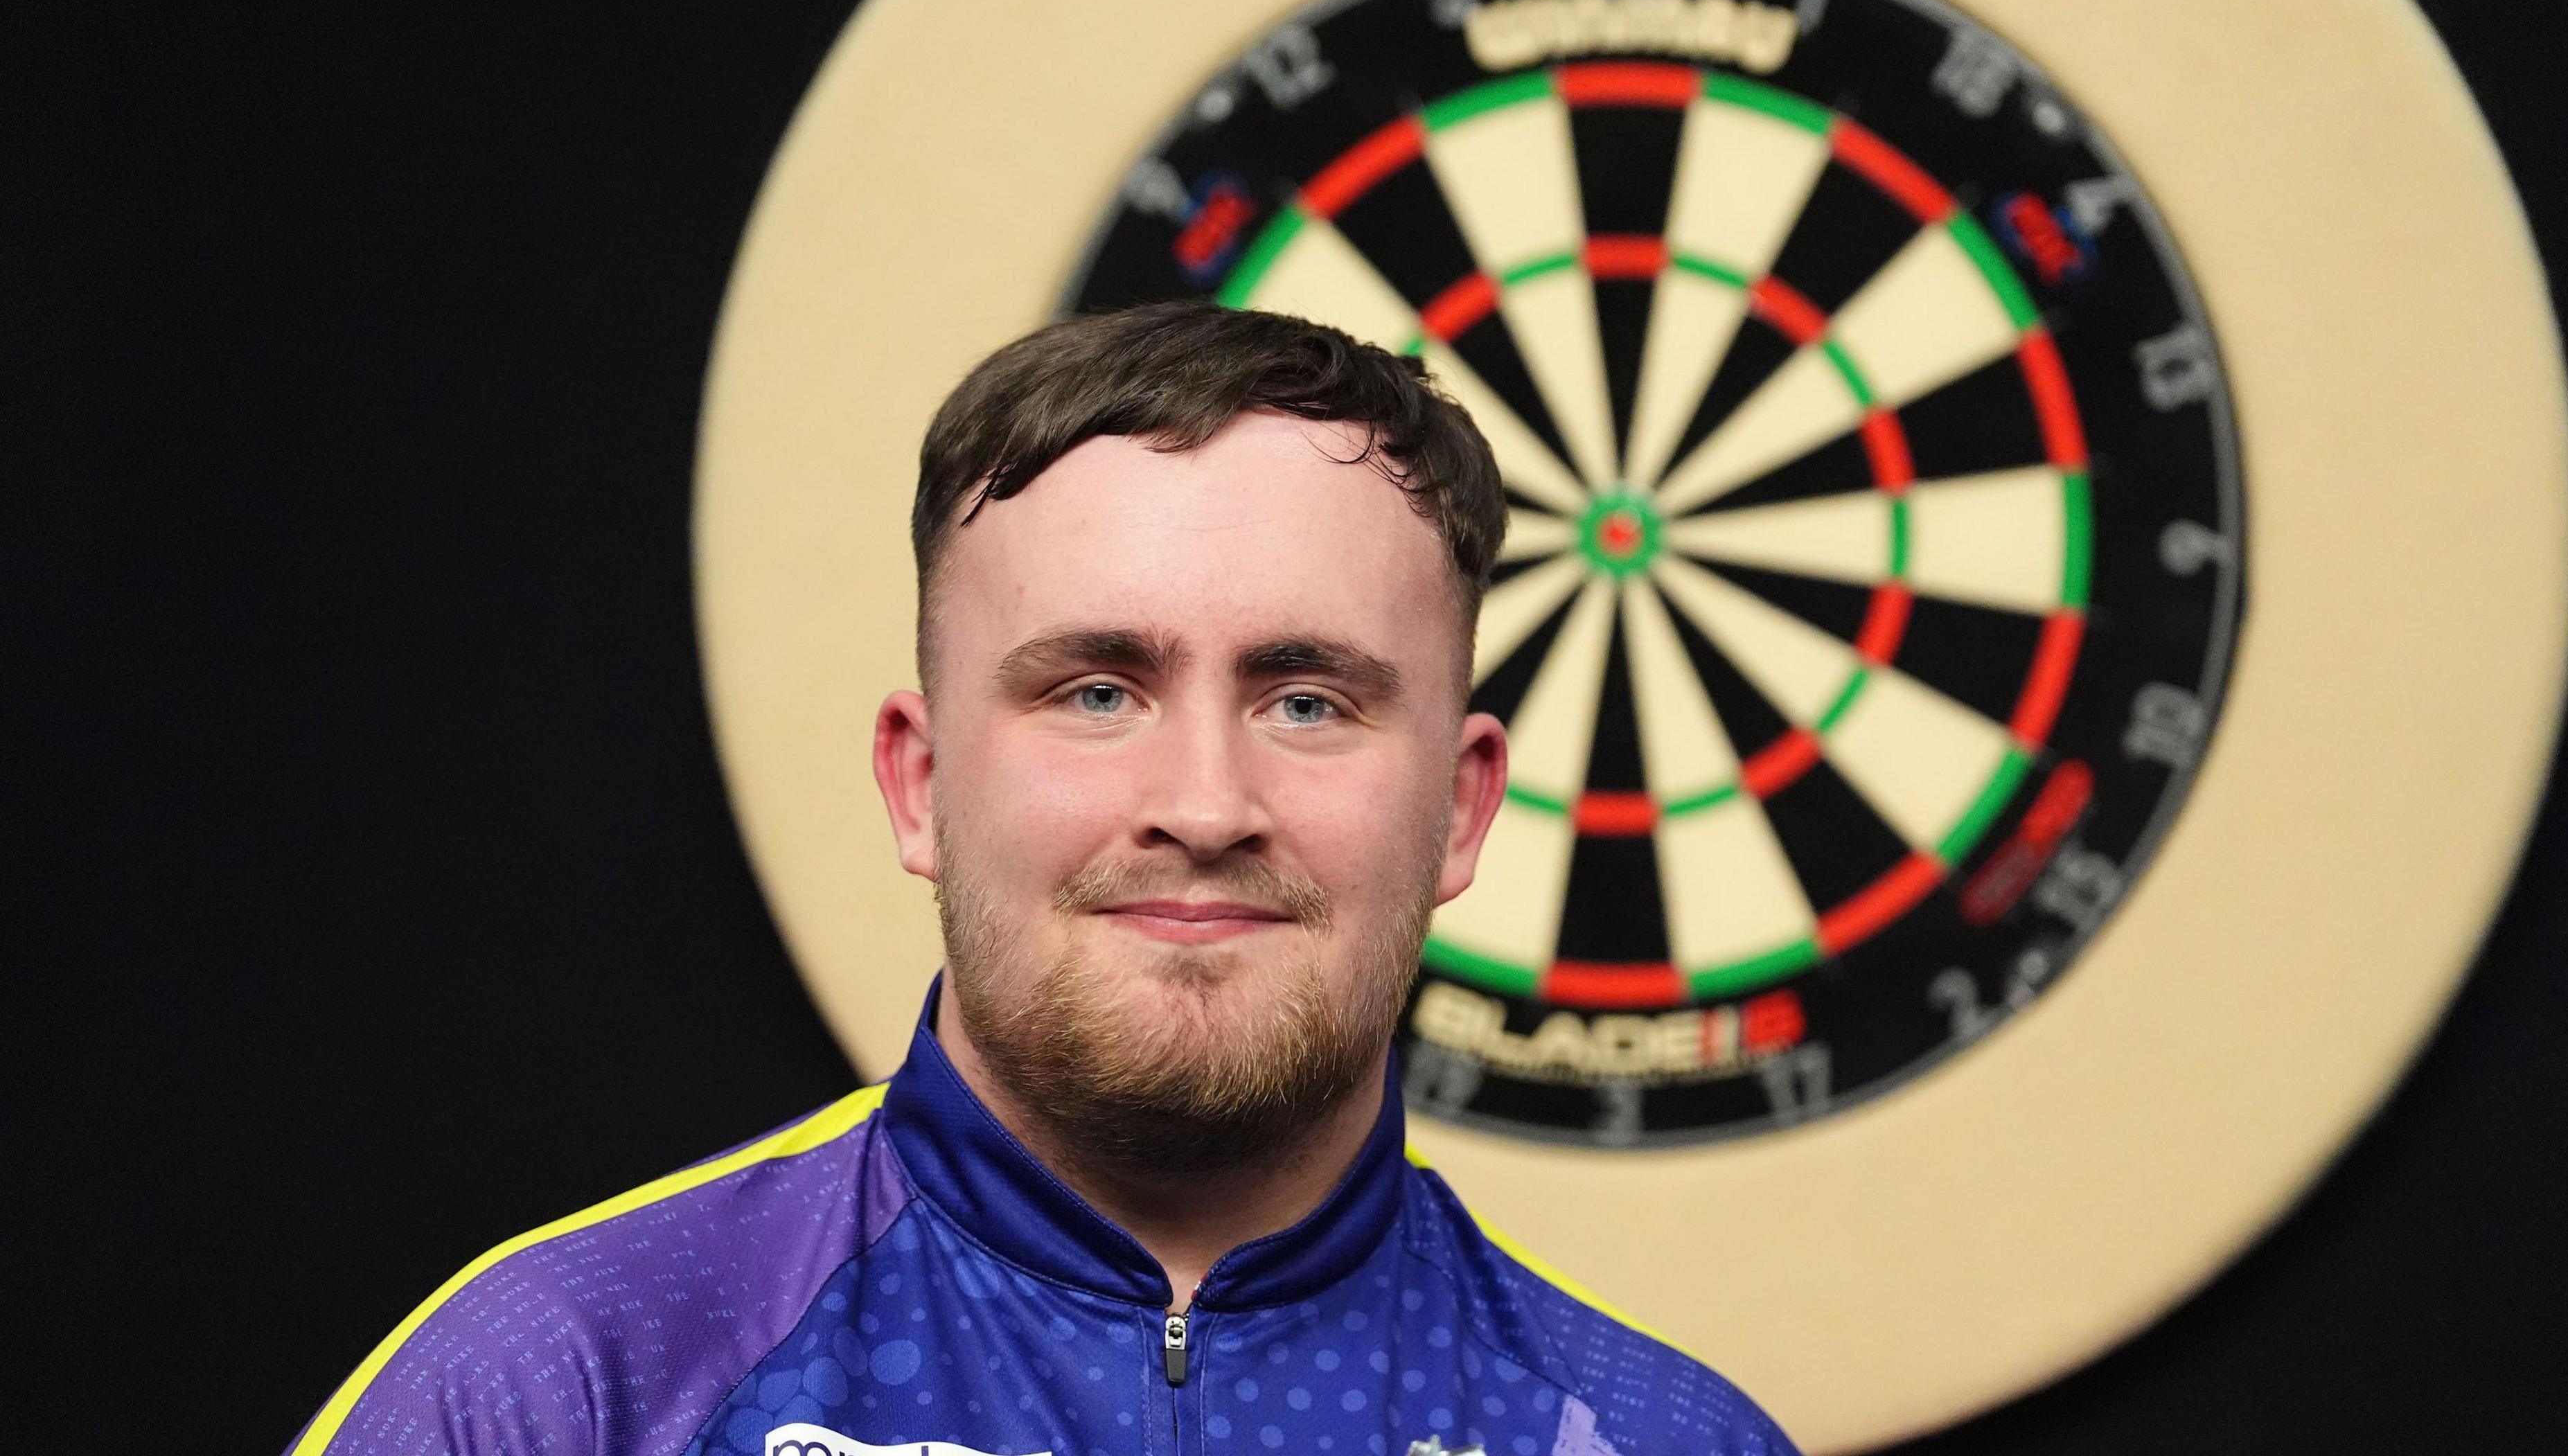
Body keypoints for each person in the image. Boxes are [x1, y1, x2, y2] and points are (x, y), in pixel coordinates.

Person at [286, 303, 1798, 1456]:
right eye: (1095, 691)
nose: (1205, 805)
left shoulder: (1657, 1439)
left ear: (1463, 808)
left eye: (1309, 700)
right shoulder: (569, 1388)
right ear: (921, 783)